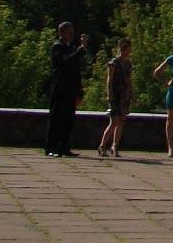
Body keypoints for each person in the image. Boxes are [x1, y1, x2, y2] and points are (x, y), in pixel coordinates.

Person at [45, 21, 88, 157]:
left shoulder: (71, 48)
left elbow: (76, 70)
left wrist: (80, 90)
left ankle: (64, 146)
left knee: (69, 119)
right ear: (61, 32)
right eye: (68, 33)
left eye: (72, 33)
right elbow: (65, 62)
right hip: (59, 89)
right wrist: (81, 49)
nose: (71, 35)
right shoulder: (57, 47)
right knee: (56, 119)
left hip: (70, 90)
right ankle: (51, 147)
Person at [98, 38, 133, 157]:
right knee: (114, 121)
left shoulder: (128, 63)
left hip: (124, 95)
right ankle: (102, 146)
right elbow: (110, 78)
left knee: (121, 121)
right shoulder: (114, 62)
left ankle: (115, 146)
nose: (129, 50)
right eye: (128, 48)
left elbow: (129, 79)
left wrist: (131, 93)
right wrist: (109, 93)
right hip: (115, 94)